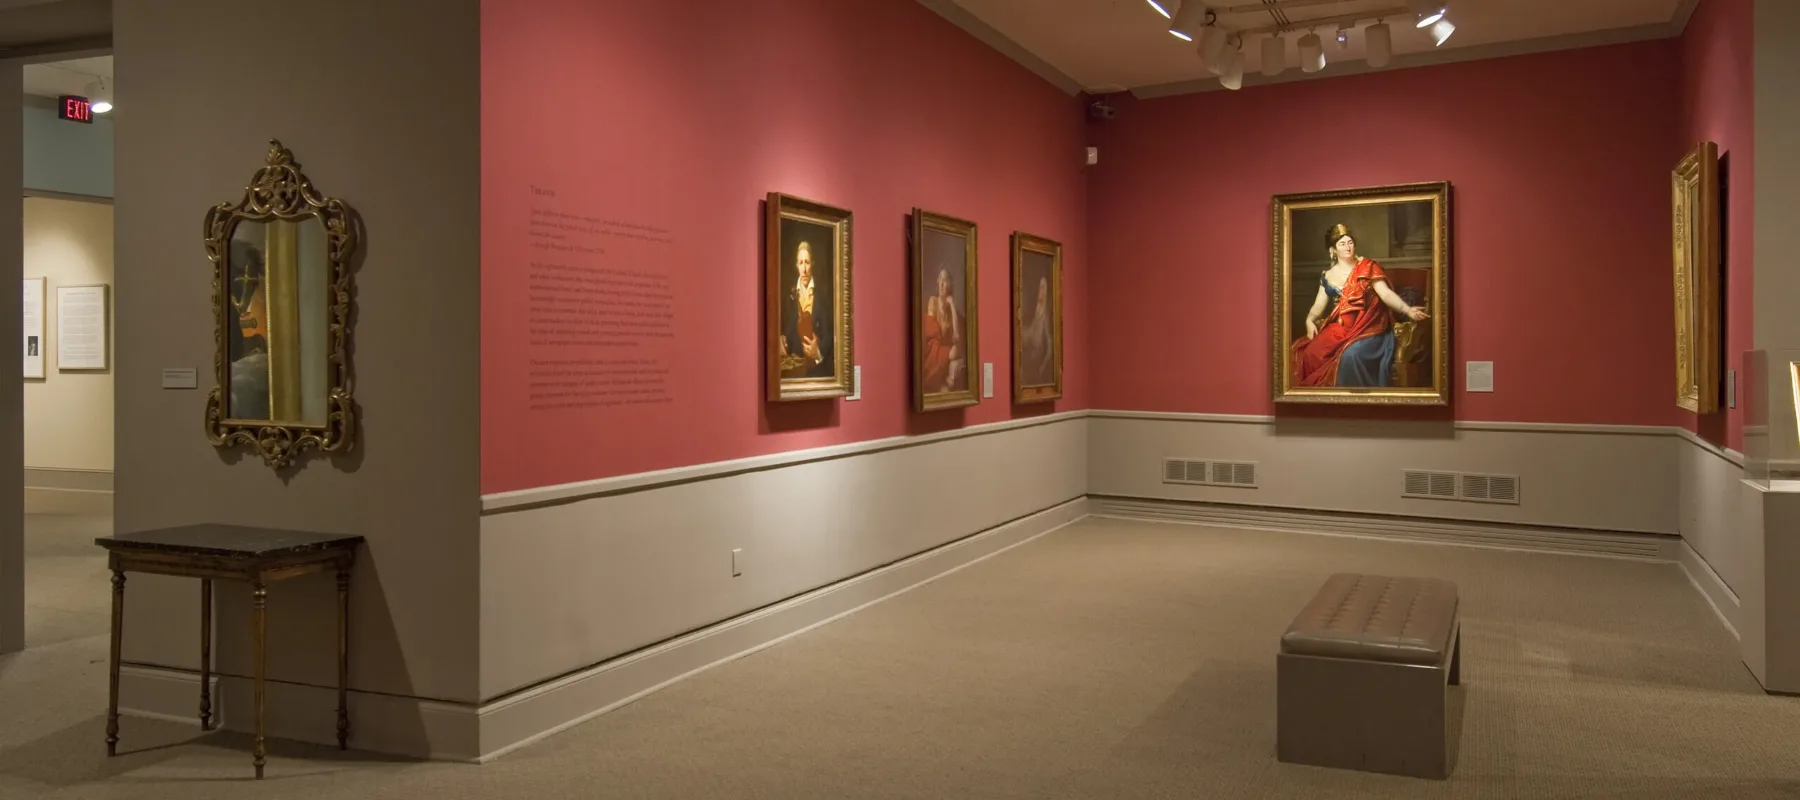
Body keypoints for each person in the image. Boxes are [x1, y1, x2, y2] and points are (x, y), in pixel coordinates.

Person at [1291, 223, 1428, 387]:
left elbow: (1385, 294)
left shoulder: (1367, 267)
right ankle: (1325, 403)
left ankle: (1357, 405)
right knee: (1311, 353)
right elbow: (1319, 305)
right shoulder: (1327, 276)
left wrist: (1408, 309)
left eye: (1350, 242)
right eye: (1342, 244)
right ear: (1333, 250)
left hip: (1369, 328)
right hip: (1340, 330)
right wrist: (1309, 320)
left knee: (1351, 356)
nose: (1348, 247)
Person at [779, 240, 833, 378]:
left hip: (817, 368)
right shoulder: (789, 295)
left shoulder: (822, 295)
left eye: (807, 262)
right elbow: (786, 330)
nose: (804, 269)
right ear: (797, 265)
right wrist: (782, 340)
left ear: (812, 264)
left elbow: (829, 334)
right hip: (795, 369)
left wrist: (818, 352)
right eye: (801, 262)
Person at [920, 267, 964, 393]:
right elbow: (931, 335)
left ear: (949, 285)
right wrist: (948, 352)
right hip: (932, 350)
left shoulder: (951, 310)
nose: (941, 284)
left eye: (945, 280)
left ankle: (946, 381)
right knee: (953, 352)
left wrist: (953, 306)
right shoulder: (932, 301)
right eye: (940, 280)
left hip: (942, 351)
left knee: (956, 351)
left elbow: (957, 338)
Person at [1019, 275, 1054, 386]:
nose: (1041, 293)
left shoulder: (1047, 312)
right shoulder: (1024, 322)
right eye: (1040, 289)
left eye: (1044, 289)